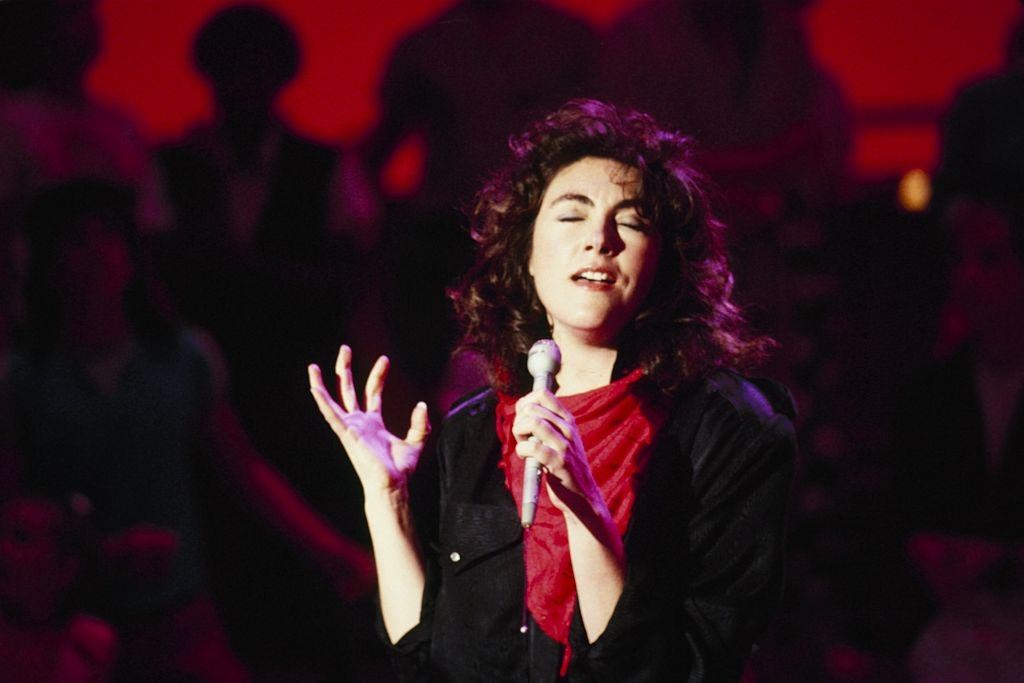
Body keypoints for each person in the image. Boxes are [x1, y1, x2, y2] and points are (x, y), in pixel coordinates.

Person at [309, 100, 796, 680]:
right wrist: (385, 499)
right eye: (572, 215)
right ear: (527, 253)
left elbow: (683, 667)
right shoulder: (473, 431)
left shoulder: (729, 431)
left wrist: (585, 504)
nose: (600, 239)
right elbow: (426, 654)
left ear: (663, 263)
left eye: (633, 221)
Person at [9, 179, 374, 681]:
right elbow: (14, 503)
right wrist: (95, 552)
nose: (97, 253)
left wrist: (336, 555)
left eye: (108, 236)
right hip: (62, 620)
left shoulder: (181, 359)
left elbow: (244, 468)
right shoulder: (24, 377)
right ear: (48, 262)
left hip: (178, 611)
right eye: (77, 240)